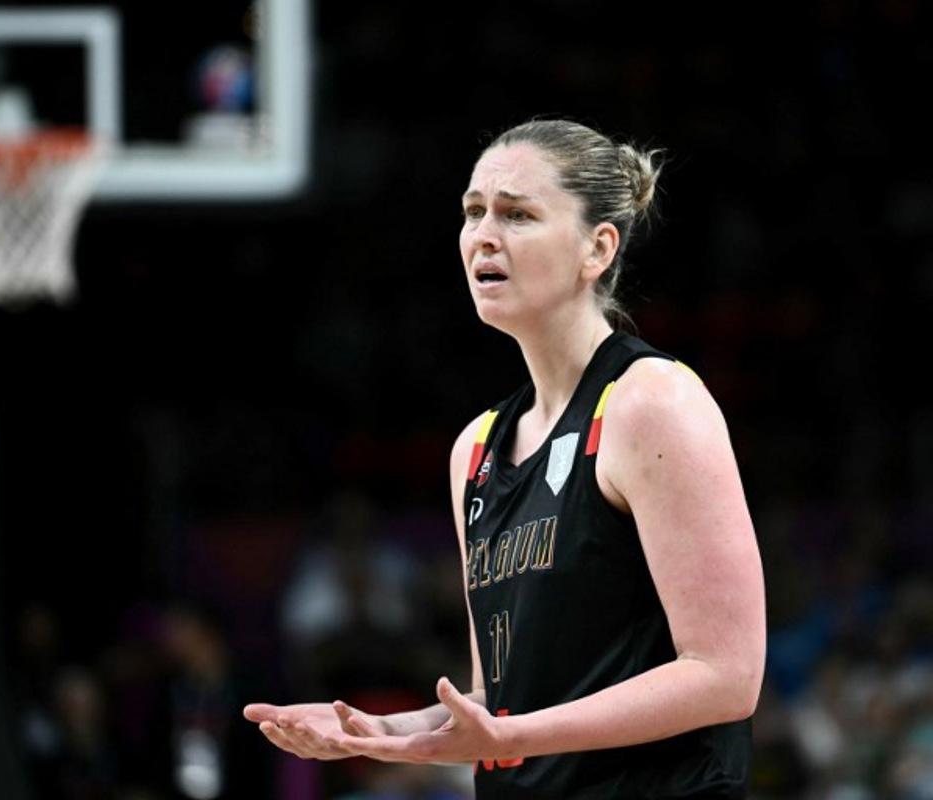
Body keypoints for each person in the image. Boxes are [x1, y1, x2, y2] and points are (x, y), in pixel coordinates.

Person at [243, 115, 767, 798]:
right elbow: (501, 699)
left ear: (597, 248)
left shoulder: (651, 403)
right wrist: (378, 730)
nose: (484, 235)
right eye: (473, 212)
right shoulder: (476, 448)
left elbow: (726, 676)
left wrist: (511, 739)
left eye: (517, 215)